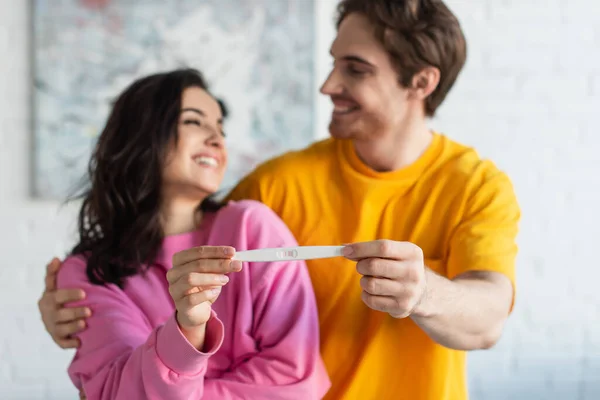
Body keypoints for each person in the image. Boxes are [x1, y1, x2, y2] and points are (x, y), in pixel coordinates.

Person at [38, 1, 520, 399]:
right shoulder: (275, 188)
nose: (328, 85)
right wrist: (67, 303)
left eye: (354, 69)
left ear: (421, 83)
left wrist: (423, 293)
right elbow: (177, 233)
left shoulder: (476, 186)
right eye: (333, 63)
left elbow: (489, 318)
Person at [45, 68, 330, 399]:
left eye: (220, 127)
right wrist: (188, 330)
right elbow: (120, 392)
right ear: (141, 133)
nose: (216, 138)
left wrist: (182, 386)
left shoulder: (252, 227)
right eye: (194, 121)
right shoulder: (87, 274)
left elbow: (297, 381)